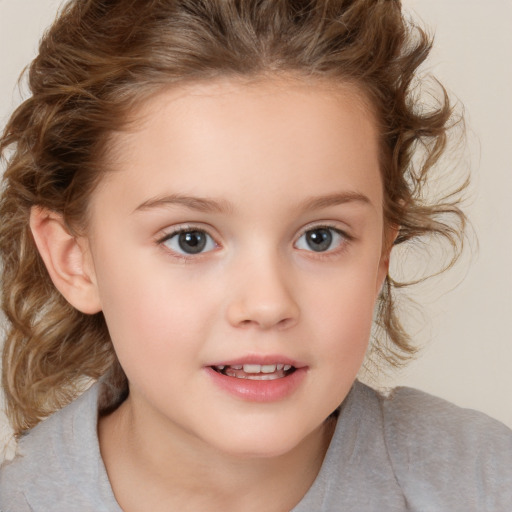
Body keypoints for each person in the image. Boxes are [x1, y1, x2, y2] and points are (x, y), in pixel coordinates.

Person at [0, 0, 510, 510]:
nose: (267, 304)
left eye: (320, 237)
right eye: (190, 239)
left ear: (380, 254)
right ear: (74, 259)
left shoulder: (485, 484)